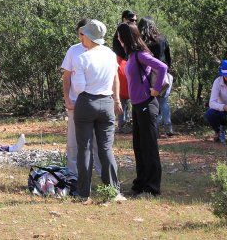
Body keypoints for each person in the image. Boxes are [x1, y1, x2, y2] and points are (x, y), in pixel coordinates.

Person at [71, 19, 125, 203]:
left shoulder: (82, 58)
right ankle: (114, 191)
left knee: (85, 149)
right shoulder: (111, 54)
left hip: (87, 102)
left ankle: (84, 194)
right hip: (107, 103)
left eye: (83, 34)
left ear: (88, 36)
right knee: (105, 148)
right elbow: (114, 77)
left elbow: (78, 87)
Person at [117, 22, 168, 197]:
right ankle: (140, 184)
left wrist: (156, 89)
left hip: (147, 104)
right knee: (139, 147)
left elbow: (162, 67)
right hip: (137, 105)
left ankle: (152, 188)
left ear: (124, 37)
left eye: (119, 35)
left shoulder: (140, 54)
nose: (117, 38)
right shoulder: (131, 55)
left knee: (149, 147)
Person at [61, 18, 102, 177]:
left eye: (83, 34)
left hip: (96, 101)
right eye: (79, 34)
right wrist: (67, 98)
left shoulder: (102, 51)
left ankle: (102, 176)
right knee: (73, 142)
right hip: (76, 102)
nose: (81, 37)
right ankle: (73, 175)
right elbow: (66, 76)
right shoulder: (73, 50)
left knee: (98, 142)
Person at [138, 16, 174, 136]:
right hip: (163, 73)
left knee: (152, 102)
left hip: (148, 75)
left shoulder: (142, 42)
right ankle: (169, 127)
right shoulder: (162, 39)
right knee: (164, 101)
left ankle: (155, 129)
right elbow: (168, 58)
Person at [112, 10, 136, 133]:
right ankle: (122, 122)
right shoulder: (120, 31)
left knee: (131, 94)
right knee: (123, 94)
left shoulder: (133, 30)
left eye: (135, 20)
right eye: (131, 20)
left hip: (129, 61)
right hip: (122, 62)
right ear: (124, 19)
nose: (133, 22)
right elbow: (117, 49)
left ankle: (127, 121)